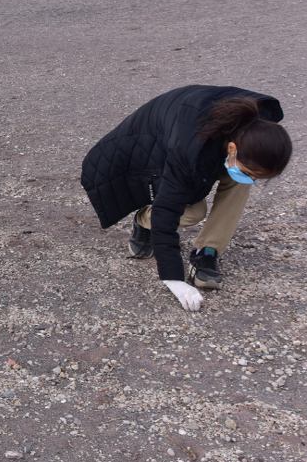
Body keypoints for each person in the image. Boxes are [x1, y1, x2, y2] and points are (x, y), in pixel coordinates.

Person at [81, 86, 292, 312]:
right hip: (149, 150)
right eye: (251, 173)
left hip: (206, 139)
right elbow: (167, 212)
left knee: (239, 181)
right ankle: (144, 221)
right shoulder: (188, 148)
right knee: (193, 211)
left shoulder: (260, 128)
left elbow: (245, 164)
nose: (253, 180)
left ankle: (207, 251)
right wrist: (174, 279)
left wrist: (245, 172)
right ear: (232, 148)